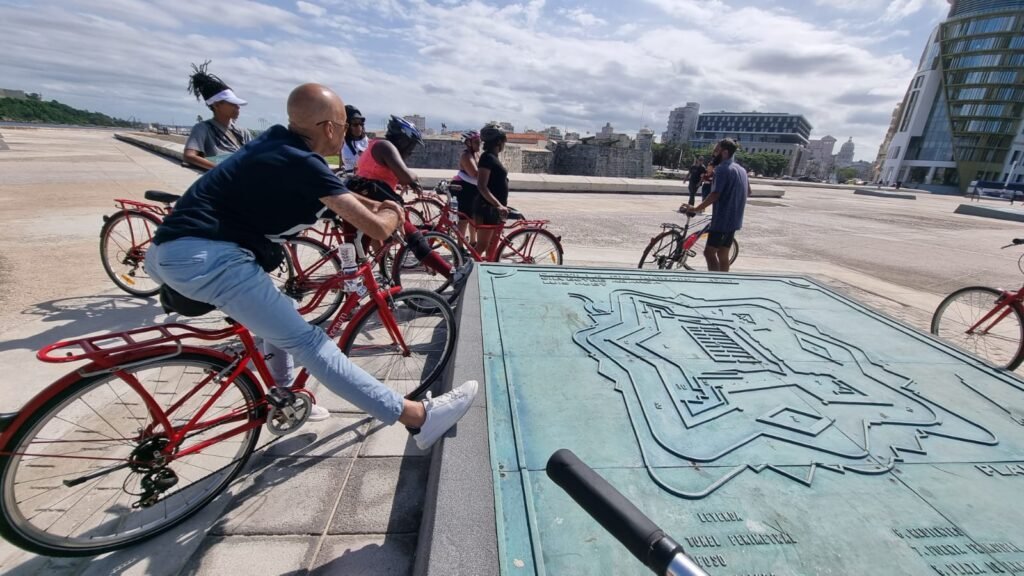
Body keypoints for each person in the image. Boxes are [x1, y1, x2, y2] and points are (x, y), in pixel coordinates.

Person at [146, 83, 477, 450]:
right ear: (330, 127)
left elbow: (336, 191)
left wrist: (370, 203)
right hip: (209, 259)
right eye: (343, 121)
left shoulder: (275, 143)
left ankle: (286, 396)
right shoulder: (305, 164)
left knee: (281, 314)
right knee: (311, 343)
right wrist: (393, 212)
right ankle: (419, 419)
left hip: (170, 250)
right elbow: (378, 229)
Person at [354, 115, 471, 284]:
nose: (411, 151)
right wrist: (413, 178)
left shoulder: (375, 144)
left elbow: (380, 174)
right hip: (376, 205)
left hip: (366, 202)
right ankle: (452, 275)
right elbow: (406, 175)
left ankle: (368, 288)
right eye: (412, 145)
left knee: (358, 256)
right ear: (403, 140)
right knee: (414, 238)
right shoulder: (386, 147)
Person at [684, 138, 749, 272]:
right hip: (735, 220)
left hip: (722, 221)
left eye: (716, 151)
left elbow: (714, 195)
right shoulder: (741, 170)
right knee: (722, 253)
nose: (713, 154)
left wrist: (695, 209)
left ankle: (713, 282)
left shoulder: (722, 169)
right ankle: (723, 283)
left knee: (709, 253)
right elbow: (749, 191)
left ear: (724, 152)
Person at [183, 62, 252, 171]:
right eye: (232, 104)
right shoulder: (203, 128)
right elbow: (189, 155)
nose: (237, 107)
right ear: (216, 105)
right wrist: (222, 169)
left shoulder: (243, 132)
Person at [474, 125, 510, 255]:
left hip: (494, 209)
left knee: (492, 247)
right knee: (482, 245)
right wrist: (498, 205)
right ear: (499, 141)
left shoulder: (492, 157)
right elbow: (482, 186)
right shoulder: (487, 158)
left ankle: (489, 271)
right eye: (504, 141)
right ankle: (466, 270)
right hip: (487, 209)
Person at [452, 131, 481, 245]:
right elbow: (475, 173)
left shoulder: (476, 154)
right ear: (468, 143)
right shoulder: (466, 155)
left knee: (473, 217)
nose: (479, 144)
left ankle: (473, 242)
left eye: (480, 142)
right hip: (465, 189)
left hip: (473, 188)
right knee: (463, 219)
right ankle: (460, 246)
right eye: (476, 142)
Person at [340, 105, 368, 171]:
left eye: (361, 124)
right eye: (355, 124)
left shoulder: (368, 143)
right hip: (349, 177)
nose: (359, 127)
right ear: (347, 126)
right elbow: (343, 165)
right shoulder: (342, 142)